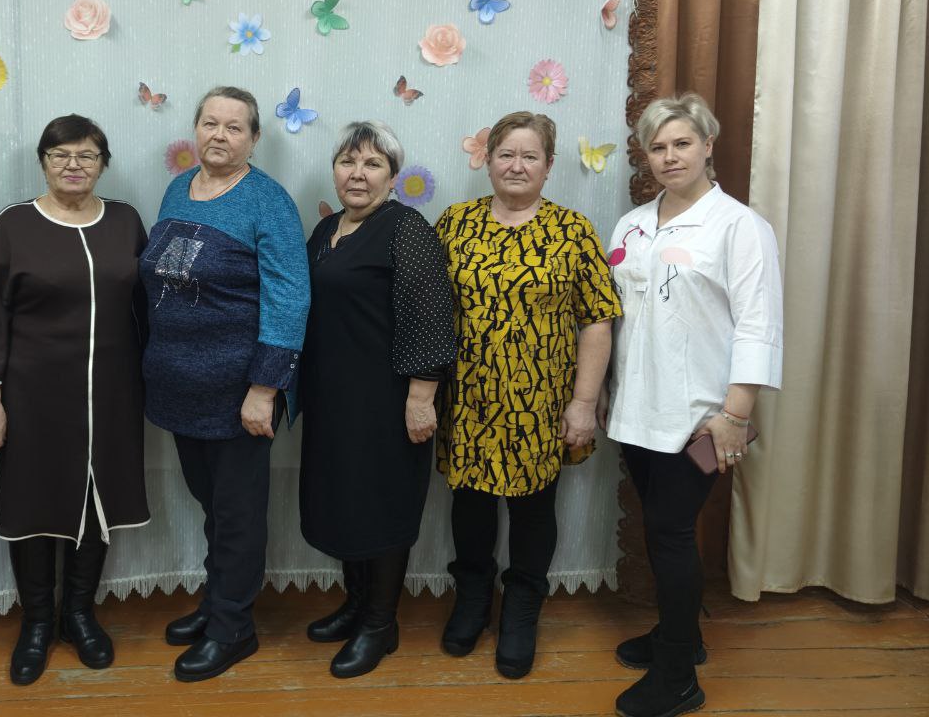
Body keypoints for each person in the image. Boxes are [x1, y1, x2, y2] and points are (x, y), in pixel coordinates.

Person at [604, 93, 782, 717]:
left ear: (708, 146)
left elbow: (758, 324)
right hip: (636, 408)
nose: (669, 156)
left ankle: (678, 674)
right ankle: (679, 634)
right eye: (657, 146)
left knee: (672, 532)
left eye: (682, 143)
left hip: (701, 415)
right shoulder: (630, 224)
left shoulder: (740, 226)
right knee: (658, 529)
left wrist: (734, 415)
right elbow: (620, 317)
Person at [0, 114, 150, 685]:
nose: (73, 165)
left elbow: (148, 308)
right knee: (33, 504)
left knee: (97, 501)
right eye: (60, 154)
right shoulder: (15, 224)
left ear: (103, 164)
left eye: (87, 155)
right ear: (43, 162)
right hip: (31, 398)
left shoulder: (125, 221)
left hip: (112, 396)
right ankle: (38, 622)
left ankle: (79, 614)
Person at [436, 111, 621, 680]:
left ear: (549, 165)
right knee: (469, 505)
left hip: (541, 404)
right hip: (466, 400)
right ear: (488, 160)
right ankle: (472, 599)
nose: (516, 166)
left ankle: (521, 608)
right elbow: (428, 310)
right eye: (506, 154)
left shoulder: (573, 230)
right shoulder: (454, 223)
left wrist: (584, 402)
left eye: (529, 156)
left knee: (533, 508)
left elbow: (597, 321)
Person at [140, 86, 310, 682]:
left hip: (239, 393)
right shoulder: (177, 188)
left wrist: (265, 388)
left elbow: (290, 299)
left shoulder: (269, 201)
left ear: (254, 139)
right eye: (210, 122)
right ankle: (219, 602)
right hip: (178, 385)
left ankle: (234, 628)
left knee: (237, 514)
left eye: (234, 127)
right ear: (196, 128)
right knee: (210, 504)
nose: (219, 135)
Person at [297, 121, 456, 678]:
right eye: (348, 162)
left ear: (392, 176)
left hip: (387, 402)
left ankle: (381, 623)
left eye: (372, 164)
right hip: (333, 399)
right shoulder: (327, 229)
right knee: (344, 501)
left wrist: (421, 397)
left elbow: (430, 316)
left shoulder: (406, 229)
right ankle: (357, 604)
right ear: (334, 170)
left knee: (383, 505)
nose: (357, 174)